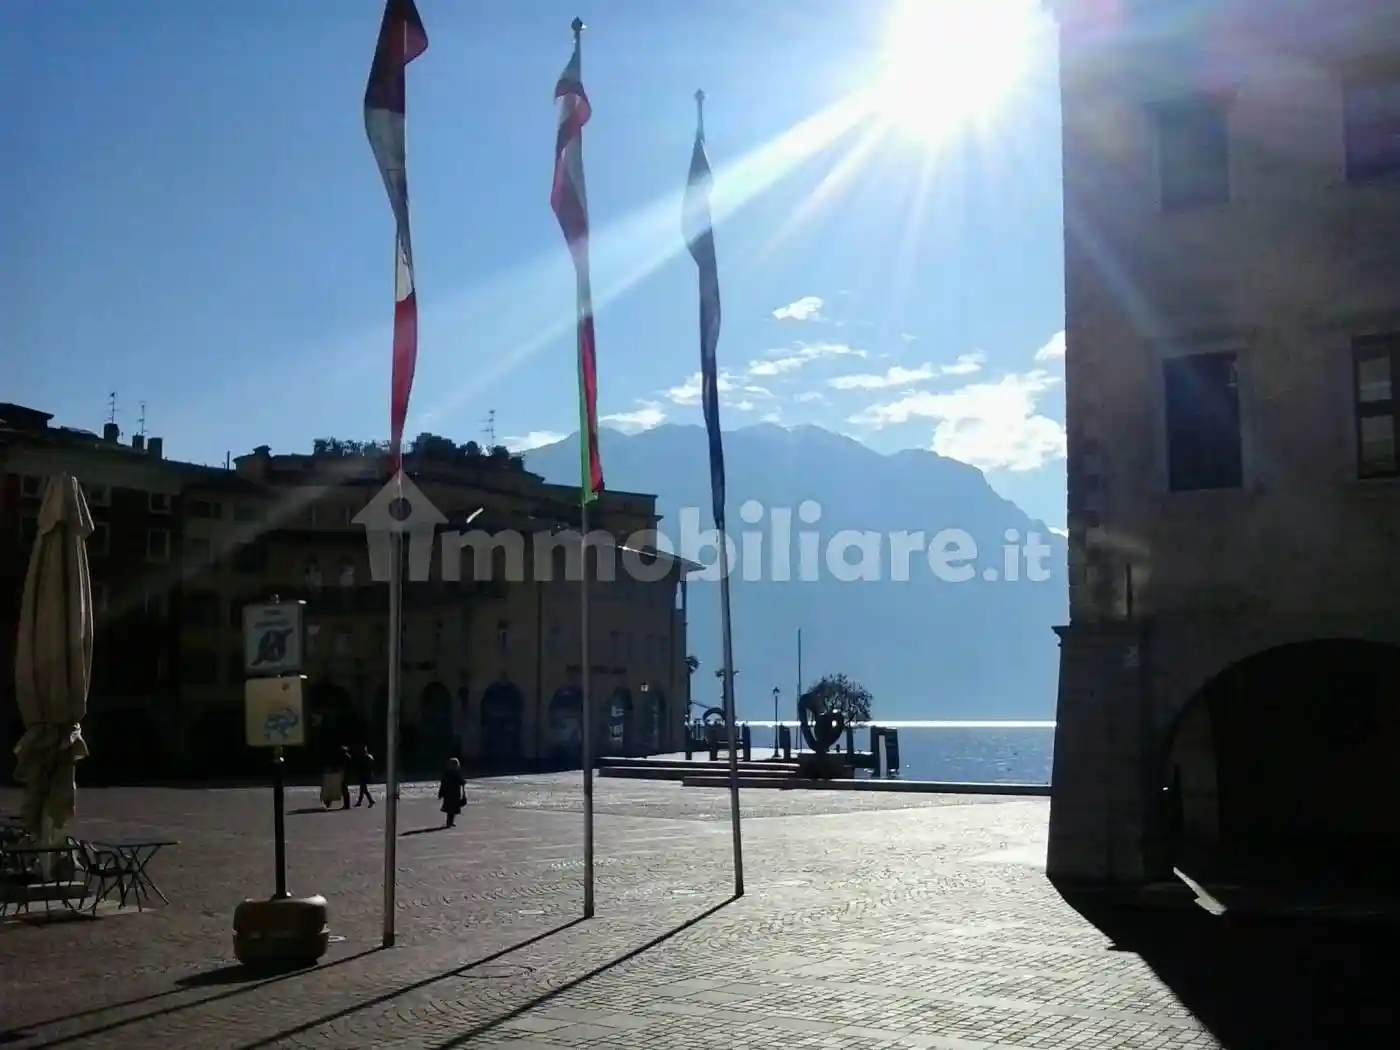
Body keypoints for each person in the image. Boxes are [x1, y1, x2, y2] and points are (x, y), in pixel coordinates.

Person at [438, 757, 466, 828]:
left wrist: (441, 793)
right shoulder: (454, 773)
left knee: (451, 809)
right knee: (451, 809)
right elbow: (458, 781)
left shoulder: (448, 773)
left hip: (450, 794)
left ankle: (450, 822)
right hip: (453, 794)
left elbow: (443, 783)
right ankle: (449, 822)